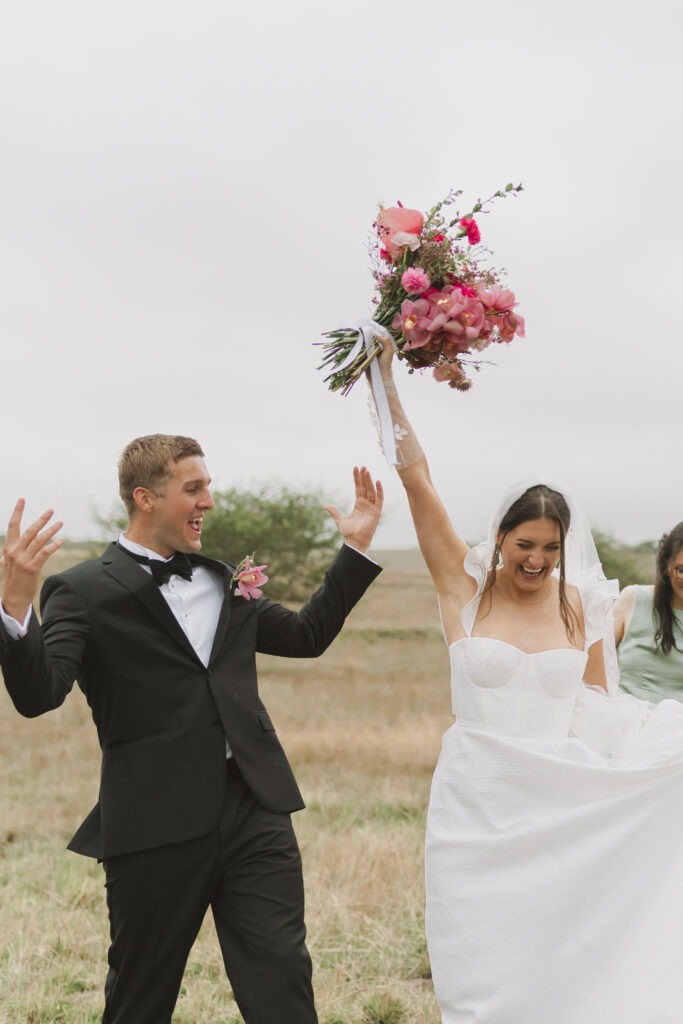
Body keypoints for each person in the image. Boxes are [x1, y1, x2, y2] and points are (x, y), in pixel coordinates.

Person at [0, 434, 383, 1024]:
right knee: (141, 998)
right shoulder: (81, 590)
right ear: (145, 497)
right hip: (153, 821)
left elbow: (307, 636)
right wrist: (15, 609)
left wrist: (353, 550)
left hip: (255, 807)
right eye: (194, 488)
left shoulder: (224, 578)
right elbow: (38, 695)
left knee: (283, 977)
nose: (209, 500)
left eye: (208, 486)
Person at [366, 339, 683, 1024]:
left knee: (560, 955)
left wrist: (656, 751)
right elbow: (417, 480)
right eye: (524, 545)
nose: (536, 560)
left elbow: (599, 704)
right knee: (478, 959)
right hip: (477, 797)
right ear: (500, 538)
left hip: (557, 797)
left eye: (550, 548)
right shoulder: (463, 589)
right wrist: (382, 377)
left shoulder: (582, 605)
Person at [614, 522, 683, 701]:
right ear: (666, 566)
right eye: (682, 570)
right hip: (622, 711)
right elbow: (593, 661)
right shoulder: (633, 598)